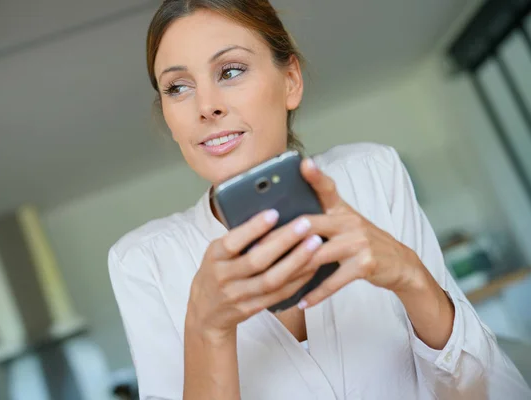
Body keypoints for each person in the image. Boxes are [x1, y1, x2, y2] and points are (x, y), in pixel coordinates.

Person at [108, 1, 531, 399]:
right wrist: (208, 329)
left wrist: (409, 276)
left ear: (290, 81)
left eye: (231, 71)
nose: (206, 106)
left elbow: (490, 389)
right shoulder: (143, 263)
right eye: (178, 87)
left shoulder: (371, 173)